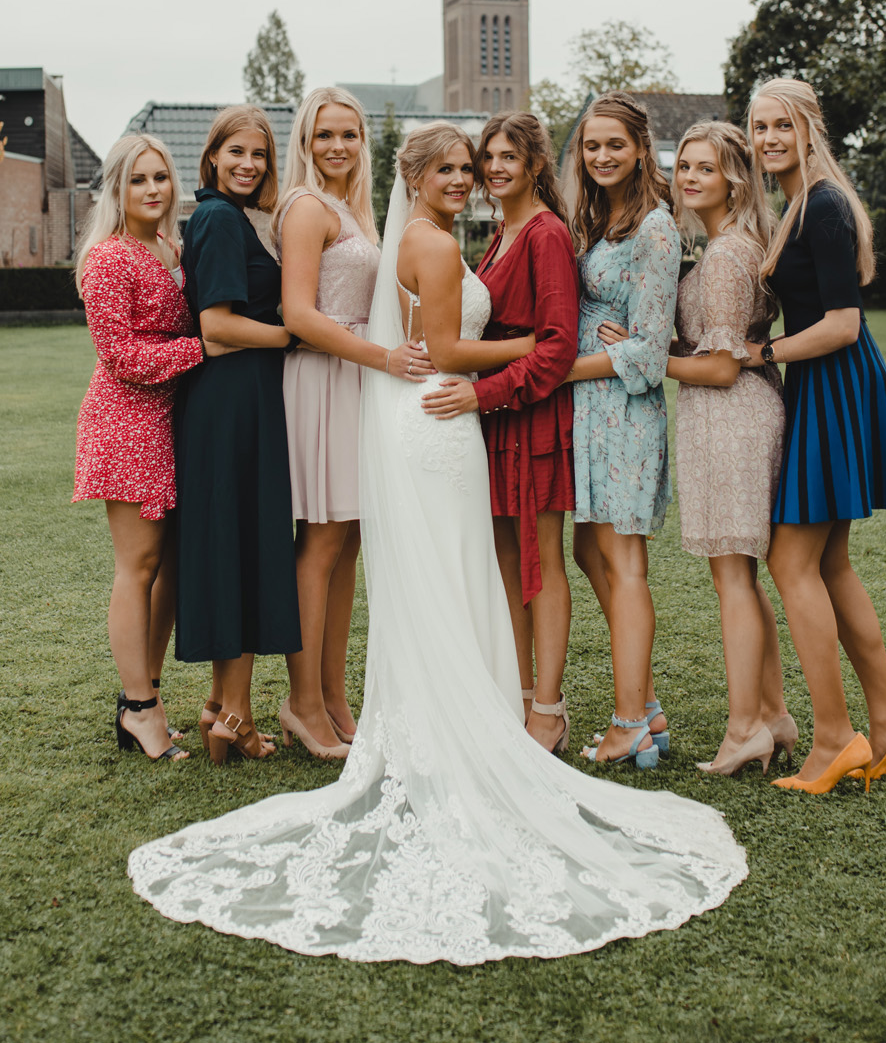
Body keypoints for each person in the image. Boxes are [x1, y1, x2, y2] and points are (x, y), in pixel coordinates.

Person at [128, 123, 749, 964]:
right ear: (415, 177)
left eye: (471, 167)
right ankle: (452, 726)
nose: (465, 178)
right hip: (440, 418)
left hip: (434, 417)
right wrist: (541, 344)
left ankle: (451, 719)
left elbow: (441, 341)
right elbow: (449, 350)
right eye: (450, 168)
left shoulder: (437, 235)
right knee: (450, 572)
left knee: (447, 574)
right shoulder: (428, 241)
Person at [744, 78, 886, 795]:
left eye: (781, 125)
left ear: (809, 129)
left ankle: (832, 740)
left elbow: (843, 324)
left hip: (834, 378)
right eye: (759, 127)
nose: (768, 139)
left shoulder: (822, 204)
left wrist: (760, 354)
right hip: (827, 381)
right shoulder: (800, 202)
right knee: (830, 563)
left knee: (792, 562)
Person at [275, 87, 433, 760]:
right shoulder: (307, 208)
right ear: (305, 143)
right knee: (320, 543)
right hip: (326, 380)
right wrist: (383, 358)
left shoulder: (354, 211)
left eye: (349, 134)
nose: (337, 146)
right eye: (324, 134)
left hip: (360, 381)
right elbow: (298, 314)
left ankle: (334, 697)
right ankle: (302, 703)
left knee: (349, 542)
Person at [421, 113, 578, 755]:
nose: (493, 168)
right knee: (506, 563)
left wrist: (481, 392)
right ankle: (515, 694)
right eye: (488, 156)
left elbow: (557, 346)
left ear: (535, 164)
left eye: (508, 156)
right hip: (494, 423)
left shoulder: (546, 235)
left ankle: (549, 709)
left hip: (532, 414)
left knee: (542, 562)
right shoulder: (499, 234)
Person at [666, 120, 794, 776]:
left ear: (734, 180)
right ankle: (773, 713)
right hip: (743, 411)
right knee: (742, 574)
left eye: (705, 168)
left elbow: (719, 367)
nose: (689, 177)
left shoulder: (723, 256)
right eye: (684, 166)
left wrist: (645, 359)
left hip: (730, 416)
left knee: (733, 578)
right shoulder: (735, 244)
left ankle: (745, 727)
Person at [173, 105, 301, 763]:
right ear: (213, 157)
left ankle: (222, 708)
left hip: (237, 400)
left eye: (259, 154)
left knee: (236, 547)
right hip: (231, 403)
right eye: (237, 152)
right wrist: (292, 334)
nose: (249, 164)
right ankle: (235, 716)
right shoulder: (220, 218)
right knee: (242, 547)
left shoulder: (226, 216)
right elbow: (217, 326)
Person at [73, 133, 202, 763]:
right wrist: (204, 349)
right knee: (139, 565)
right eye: (138, 179)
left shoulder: (172, 247)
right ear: (117, 190)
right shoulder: (108, 258)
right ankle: (139, 707)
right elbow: (121, 356)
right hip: (127, 421)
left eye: (160, 177)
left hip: (172, 419)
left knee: (170, 567)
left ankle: (145, 695)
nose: (153, 189)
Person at [563, 93, 678, 770]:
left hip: (626, 413)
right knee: (588, 550)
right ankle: (648, 702)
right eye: (591, 145)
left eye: (615, 144)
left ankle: (629, 720)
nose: (602, 155)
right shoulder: (599, 219)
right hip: (592, 410)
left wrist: (560, 368)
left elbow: (650, 352)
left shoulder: (656, 228)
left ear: (640, 149)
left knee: (625, 561)